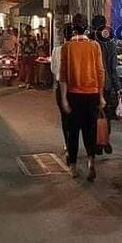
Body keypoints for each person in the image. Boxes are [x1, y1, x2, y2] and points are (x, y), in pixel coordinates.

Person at [60, 13, 105, 181]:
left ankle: (72, 167)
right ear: (87, 28)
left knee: (73, 131)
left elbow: (63, 76)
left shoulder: (67, 47)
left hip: (74, 94)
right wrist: (101, 96)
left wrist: (64, 99)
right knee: (90, 130)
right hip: (92, 94)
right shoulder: (94, 46)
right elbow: (100, 72)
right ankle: (91, 162)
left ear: (73, 28)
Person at [90, 15, 121, 155]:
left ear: (92, 26)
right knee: (105, 114)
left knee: (93, 114)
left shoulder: (89, 43)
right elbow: (113, 68)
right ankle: (105, 140)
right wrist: (118, 87)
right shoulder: (110, 43)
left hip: (91, 84)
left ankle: (96, 144)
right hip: (106, 84)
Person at [50, 24, 75, 161]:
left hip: (61, 87)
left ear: (64, 36)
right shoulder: (81, 49)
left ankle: (68, 146)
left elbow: (54, 70)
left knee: (66, 119)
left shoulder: (57, 50)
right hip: (78, 87)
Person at [19, 24, 37, 88]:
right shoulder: (23, 37)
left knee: (29, 69)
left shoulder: (32, 37)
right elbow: (21, 45)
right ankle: (25, 82)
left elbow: (34, 46)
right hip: (25, 55)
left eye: (27, 29)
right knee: (24, 69)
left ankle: (28, 82)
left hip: (30, 55)